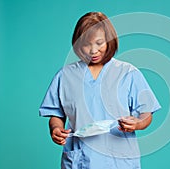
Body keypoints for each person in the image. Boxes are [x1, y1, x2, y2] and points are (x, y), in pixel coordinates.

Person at [39, 12, 161, 169]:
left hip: (119, 160)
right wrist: (56, 129)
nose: (93, 50)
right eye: (86, 44)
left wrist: (137, 123)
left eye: (99, 43)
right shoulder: (65, 76)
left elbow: (146, 114)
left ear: (110, 41)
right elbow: (56, 114)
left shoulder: (128, 73)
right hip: (81, 159)